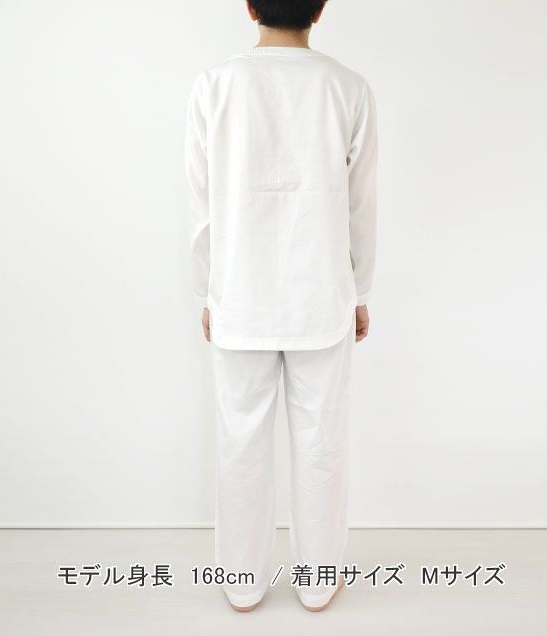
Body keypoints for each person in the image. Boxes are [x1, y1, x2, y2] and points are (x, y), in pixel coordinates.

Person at [184, 0, 378, 612]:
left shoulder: (215, 85)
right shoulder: (347, 87)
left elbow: (201, 203)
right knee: (322, 439)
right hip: (322, 292)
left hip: (239, 291)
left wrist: (206, 290)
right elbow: (361, 204)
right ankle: (318, 582)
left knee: (240, 440)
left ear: (250, 7)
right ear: (320, 10)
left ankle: (242, 582)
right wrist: (360, 291)